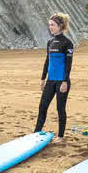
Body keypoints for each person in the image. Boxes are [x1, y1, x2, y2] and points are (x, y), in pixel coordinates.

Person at [34, 13, 73, 141]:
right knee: (42, 105)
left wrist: (65, 81)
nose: (50, 27)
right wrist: (42, 78)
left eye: (52, 25)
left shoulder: (67, 43)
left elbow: (68, 64)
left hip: (61, 81)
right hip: (50, 81)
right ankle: (36, 132)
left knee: (60, 108)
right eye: (49, 25)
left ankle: (60, 136)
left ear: (60, 26)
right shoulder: (50, 42)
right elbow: (47, 61)